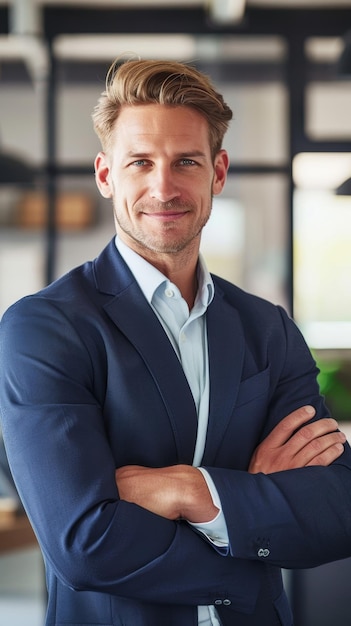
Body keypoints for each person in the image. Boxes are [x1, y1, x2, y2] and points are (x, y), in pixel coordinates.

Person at [0, 58, 351, 626]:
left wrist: (194, 490)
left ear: (218, 172)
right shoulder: (44, 328)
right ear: (106, 175)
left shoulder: (268, 328)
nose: (163, 187)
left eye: (186, 162)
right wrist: (246, 513)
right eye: (140, 162)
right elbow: (83, 541)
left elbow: (338, 507)